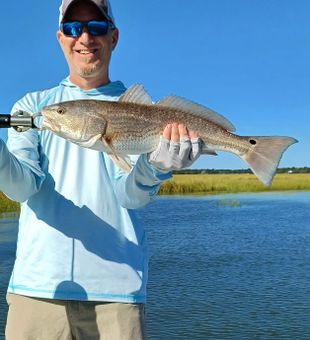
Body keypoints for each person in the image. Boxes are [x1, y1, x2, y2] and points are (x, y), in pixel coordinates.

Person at [2, 0, 201, 339]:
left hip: (119, 294)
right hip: (38, 291)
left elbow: (131, 196)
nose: (84, 37)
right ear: (60, 37)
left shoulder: (143, 109)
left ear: (113, 36)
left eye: (95, 27)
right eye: (72, 28)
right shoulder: (35, 107)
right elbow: (22, 187)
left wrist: (155, 167)